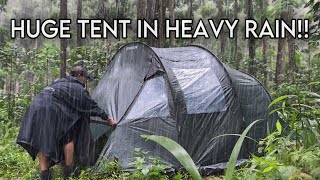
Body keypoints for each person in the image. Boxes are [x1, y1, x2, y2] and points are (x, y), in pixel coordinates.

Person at [16, 66, 117, 180]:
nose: (85, 81)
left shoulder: (60, 83)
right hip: (50, 109)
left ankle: (44, 175)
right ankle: (69, 173)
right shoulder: (77, 88)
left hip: (35, 108)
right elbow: (90, 105)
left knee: (43, 140)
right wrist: (108, 119)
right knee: (69, 135)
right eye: (85, 78)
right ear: (80, 75)